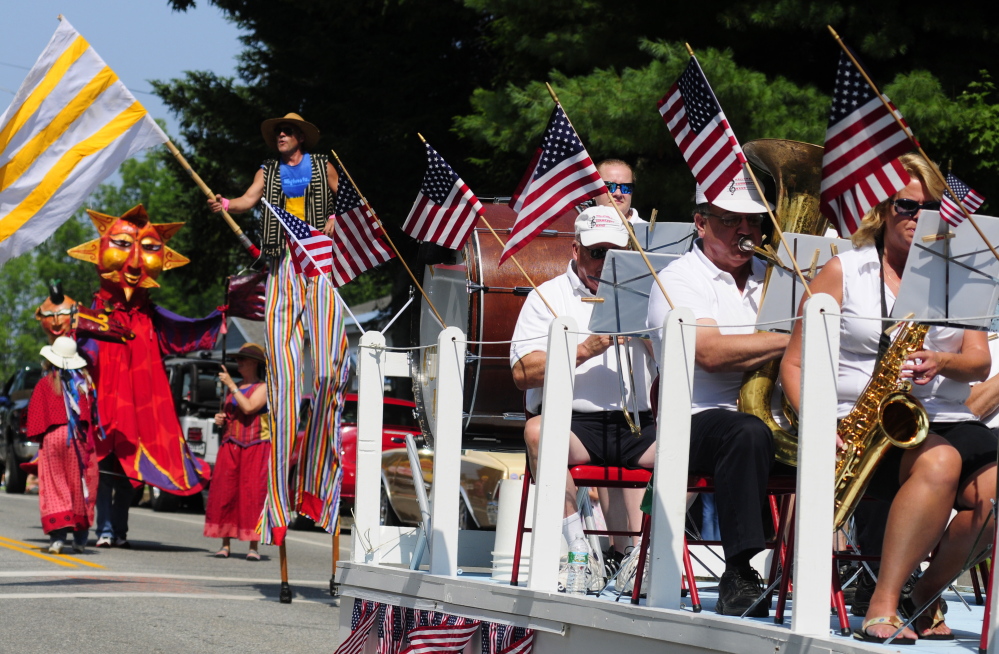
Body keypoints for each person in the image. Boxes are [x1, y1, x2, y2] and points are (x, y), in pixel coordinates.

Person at [780, 153, 996, 643]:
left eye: (933, 206)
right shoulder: (844, 271)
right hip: (857, 425)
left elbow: (979, 363)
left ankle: (917, 599)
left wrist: (942, 361)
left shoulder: (960, 271)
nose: (920, 217)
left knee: (992, 491)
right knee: (939, 463)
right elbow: (794, 364)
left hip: (940, 415)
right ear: (880, 209)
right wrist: (819, 425)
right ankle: (881, 603)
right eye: (907, 205)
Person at [646, 173, 787, 617]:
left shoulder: (776, 277)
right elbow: (708, 352)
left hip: (770, 421)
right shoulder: (678, 278)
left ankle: (866, 575)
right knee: (744, 433)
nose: (745, 232)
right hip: (694, 421)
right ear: (700, 223)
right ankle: (740, 571)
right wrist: (794, 337)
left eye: (754, 222)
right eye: (730, 221)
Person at [208, 113, 348, 543]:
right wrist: (227, 204)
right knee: (283, 357)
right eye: (277, 133)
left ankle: (321, 461)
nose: (281, 136)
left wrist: (336, 222)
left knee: (325, 367)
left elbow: (346, 202)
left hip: (319, 254)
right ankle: (281, 486)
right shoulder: (267, 171)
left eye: (287, 132)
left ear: (301, 136)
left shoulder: (324, 164)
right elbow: (250, 199)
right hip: (285, 256)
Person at [510, 205, 656, 592]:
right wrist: (583, 350)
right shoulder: (547, 296)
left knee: (697, 445)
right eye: (596, 253)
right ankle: (579, 552)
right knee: (539, 433)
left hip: (636, 423)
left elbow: (686, 362)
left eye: (614, 254)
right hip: (575, 423)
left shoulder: (646, 294)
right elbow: (522, 373)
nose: (604, 263)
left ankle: (642, 553)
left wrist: (648, 336)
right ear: (575, 251)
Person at [27, 337, 100, 554]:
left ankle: (57, 539)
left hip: (53, 439)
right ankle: (79, 539)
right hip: (78, 438)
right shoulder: (84, 383)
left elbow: (35, 418)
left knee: (54, 486)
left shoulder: (44, 383)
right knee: (80, 486)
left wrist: (40, 438)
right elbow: (90, 415)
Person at [204, 343, 270, 561]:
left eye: (242, 359)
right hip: (231, 445)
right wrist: (220, 419)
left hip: (255, 447)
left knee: (253, 494)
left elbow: (250, 407)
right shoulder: (236, 386)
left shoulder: (264, 387)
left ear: (254, 363)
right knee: (227, 493)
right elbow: (233, 413)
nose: (238, 363)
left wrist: (231, 385)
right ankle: (225, 544)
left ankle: (253, 546)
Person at [594, 159, 646, 224]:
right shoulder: (580, 231)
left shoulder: (650, 233)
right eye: (609, 186)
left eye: (626, 187)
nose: (618, 194)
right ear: (593, 190)